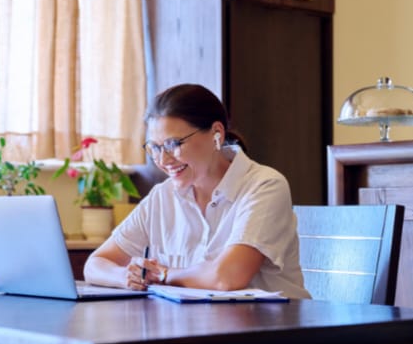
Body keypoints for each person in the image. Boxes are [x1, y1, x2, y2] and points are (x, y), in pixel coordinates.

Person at [83, 83, 311, 299]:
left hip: (272, 332)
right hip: (196, 330)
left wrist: (163, 274)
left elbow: (227, 277)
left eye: (174, 144)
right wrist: (127, 276)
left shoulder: (264, 186)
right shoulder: (162, 196)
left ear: (217, 134)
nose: (163, 160)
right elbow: (95, 264)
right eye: (155, 147)